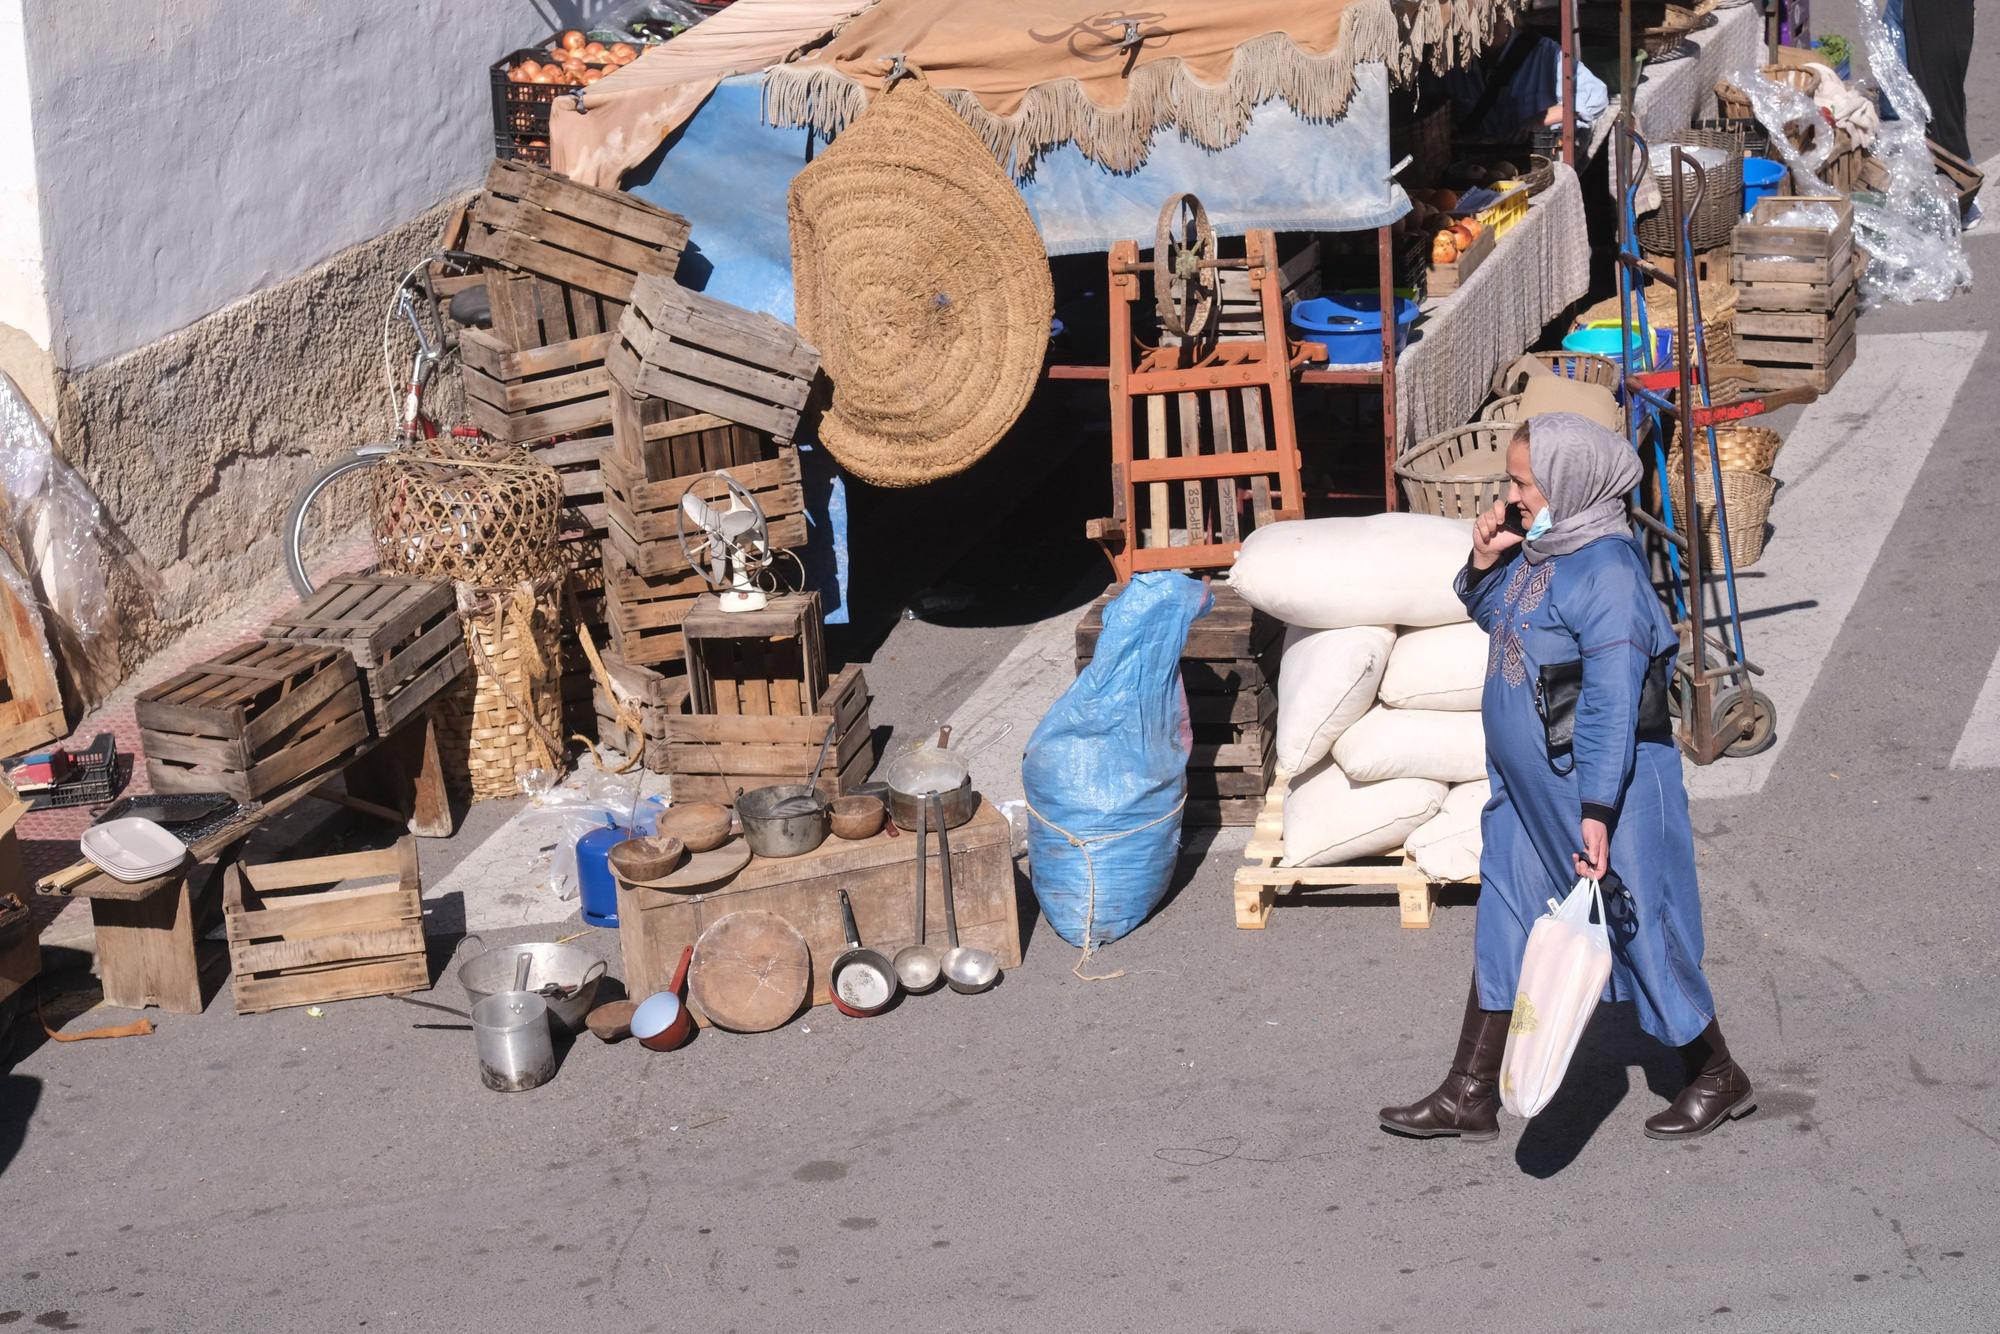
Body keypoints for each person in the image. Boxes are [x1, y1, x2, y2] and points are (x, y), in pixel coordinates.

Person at [1378, 413, 1754, 1143]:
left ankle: (1715, 1071)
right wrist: (1485, 563)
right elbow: (1505, 623)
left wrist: (1596, 809)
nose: (1513, 496)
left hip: (1602, 794)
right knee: (1507, 919)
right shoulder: (1545, 549)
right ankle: (1468, 1091)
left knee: (1641, 926)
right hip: (1528, 793)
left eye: (1524, 481)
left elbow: (1614, 701)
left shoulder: (1608, 570)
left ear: (1571, 482)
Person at [1444, 14, 1608, 142]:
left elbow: (1596, 95)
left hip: (1534, 160)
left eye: (1490, 19)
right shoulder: (1453, 61)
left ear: (1508, 16)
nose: (1482, 28)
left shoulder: (1544, 54)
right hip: (1478, 164)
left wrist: (1537, 121)